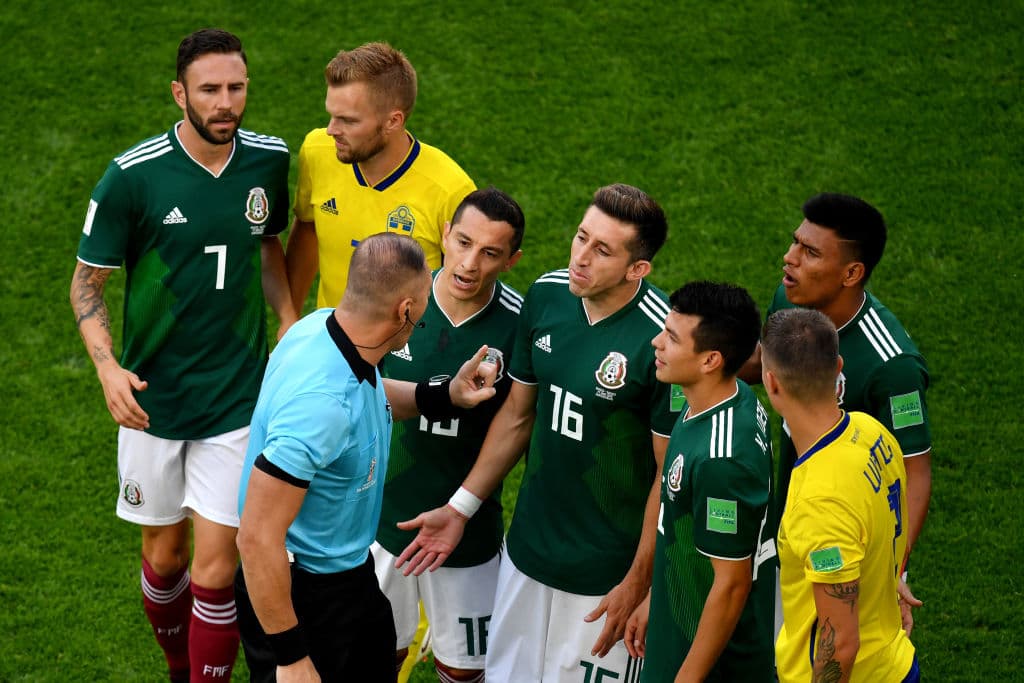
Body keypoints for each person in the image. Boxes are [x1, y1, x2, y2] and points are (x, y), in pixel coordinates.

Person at [69, 28, 293, 682]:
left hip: (237, 397)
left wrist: (286, 321)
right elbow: (87, 280)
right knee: (164, 559)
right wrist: (108, 367)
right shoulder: (132, 177)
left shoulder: (268, 161)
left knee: (218, 570)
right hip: (153, 400)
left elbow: (266, 242)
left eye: (237, 87)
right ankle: (177, 664)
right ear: (180, 93)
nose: (227, 102)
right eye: (211, 90)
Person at [397, 183, 676, 682]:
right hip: (527, 556)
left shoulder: (661, 339)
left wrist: (642, 582)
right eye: (581, 237)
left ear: (638, 269)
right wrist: (461, 508)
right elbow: (518, 415)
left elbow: (669, 476)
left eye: (602, 250)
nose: (581, 258)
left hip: (605, 576)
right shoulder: (548, 296)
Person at [234, 233, 499, 683]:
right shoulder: (319, 406)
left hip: (349, 579)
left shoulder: (323, 329)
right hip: (305, 597)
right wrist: (292, 657)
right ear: (406, 311)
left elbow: (369, 397)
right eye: (424, 300)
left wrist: (444, 395)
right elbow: (257, 538)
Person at [742, 193, 931, 627]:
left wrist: (894, 567)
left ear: (851, 273)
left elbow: (914, 471)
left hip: (848, 544)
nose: (789, 259)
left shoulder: (892, 367)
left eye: (809, 253)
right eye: (795, 243)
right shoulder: (790, 301)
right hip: (791, 515)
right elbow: (763, 363)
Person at [372, 188, 526, 682]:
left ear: (512, 260)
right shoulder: (394, 297)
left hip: (469, 533)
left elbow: (521, 423)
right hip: (381, 522)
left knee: (463, 672)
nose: (469, 264)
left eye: (490, 253)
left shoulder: (521, 326)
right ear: (444, 234)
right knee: (373, 658)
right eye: (462, 243)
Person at [624, 281, 776, 682]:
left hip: (710, 658)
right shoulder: (721, 397)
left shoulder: (722, 459)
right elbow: (687, 529)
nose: (656, 343)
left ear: (710, 360)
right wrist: (656, 600)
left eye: (672, 338)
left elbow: (731, 585)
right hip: (678, 616)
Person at [762, 308, 920, 682]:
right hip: (894, 661)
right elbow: (878, 527)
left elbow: (841, 644)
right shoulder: (873, 432)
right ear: (839, 368)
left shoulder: (820, 501)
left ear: (771, 384)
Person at [285, 41, 476, 317]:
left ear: (393, 121)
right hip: (332, 344)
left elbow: (466, 287)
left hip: (408, 352)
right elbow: (307, 227)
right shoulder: (317, 152)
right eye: (331, 115)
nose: (331, 130)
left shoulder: (450, 190)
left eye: (348, 121)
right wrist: (290, 318)